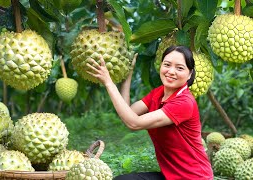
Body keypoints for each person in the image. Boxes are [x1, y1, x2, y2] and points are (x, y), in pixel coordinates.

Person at [86, 46, 213, 180]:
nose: (171, 71)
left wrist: (108, 82)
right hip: (170, 176)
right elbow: (129, 112)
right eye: (167, 65)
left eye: (179, 68)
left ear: (189, 73)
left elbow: (134, 123)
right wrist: (128, 74)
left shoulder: (184, 102)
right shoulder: (159, 93)